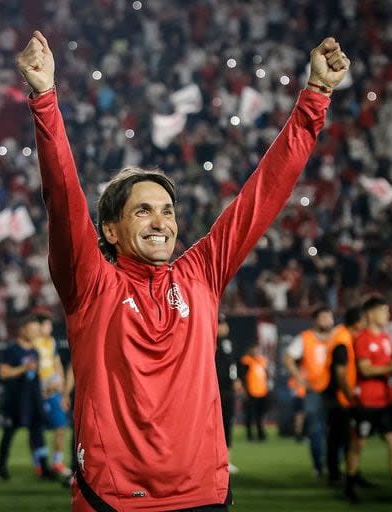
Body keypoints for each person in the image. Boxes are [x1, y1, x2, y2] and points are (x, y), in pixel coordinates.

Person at [17, 29, 349, 510]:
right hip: (115, 499)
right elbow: (63, 199)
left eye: (168, 211)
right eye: (143, 210)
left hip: (203, 495)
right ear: (110, 229)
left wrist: (315, 97)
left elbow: (264, 194)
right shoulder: (91, 284)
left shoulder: (200, 274)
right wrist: (45, 99)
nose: (161, 222)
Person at [346, 296, 392, 504]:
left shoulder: (386, 338)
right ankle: (349, 486)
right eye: (383, 311)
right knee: (358, 445)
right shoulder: (363, 339)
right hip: (366, 403)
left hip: (387, 402)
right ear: (370, 314)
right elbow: (365, 369)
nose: (387, 315)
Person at [0, 314, 52, 480]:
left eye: (37, 330)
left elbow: (36, 376)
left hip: (33, 401)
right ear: (23, 330)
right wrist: (23, 368)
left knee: (38, 435)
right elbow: (3, 372)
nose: (35, 333)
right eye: (32, 329)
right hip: (15, 400)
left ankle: (44, 468)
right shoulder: (11, 350)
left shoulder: (35, 351)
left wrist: (45, 390)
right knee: (8, 434)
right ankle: (1, 466)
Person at [284, 306, 334, 477]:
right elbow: (289, 357)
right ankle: (319, 466)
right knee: (315, 429)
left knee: (338, 429)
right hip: (313, 390)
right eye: (324, 317)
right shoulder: (305, 338)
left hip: (334, 390)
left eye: (330, 316)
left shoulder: (337, 337)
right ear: (316, 320)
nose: (328, 320)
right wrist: (299, 378)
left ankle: (333, 465)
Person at [324, 306, 364, 488]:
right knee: (342, 439)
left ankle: (347, 474)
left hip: (335, 395)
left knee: (339, 438)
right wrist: (349, 395)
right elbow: (340, 374)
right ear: (357, 323)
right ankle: (339, 475)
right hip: (339, 397)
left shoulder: (341, 336)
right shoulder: (342, 341)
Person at [35, 313, 72, 476]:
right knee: (36, 428)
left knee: (60, 426)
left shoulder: (51, 342)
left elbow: (57, 364)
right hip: (38, 390)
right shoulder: (32, 343)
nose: (50, 328)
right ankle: (39, 463)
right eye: (47, 325)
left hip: (53, 389)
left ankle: (57, 462)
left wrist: (62, 388)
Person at [215, 315, 242, 474]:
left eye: (224, 324)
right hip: (213, 390)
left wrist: (237, 378)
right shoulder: (208, 341)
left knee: (227, 424)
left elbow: (234, 365)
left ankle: (226, 460)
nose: (223, 327)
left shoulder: (230, 344)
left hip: (227, 390)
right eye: (220, 324)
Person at [240, 344, 270, 442]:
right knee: (250, 415)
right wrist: (244, 390)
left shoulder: (262, 361)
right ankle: (249, 435)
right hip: (251, 392)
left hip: (262, 391)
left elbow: (266, 375)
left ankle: (260, 433)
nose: (256, 351)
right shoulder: (246, 361)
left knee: (260, 415)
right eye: (254, 349)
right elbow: (242, 376)